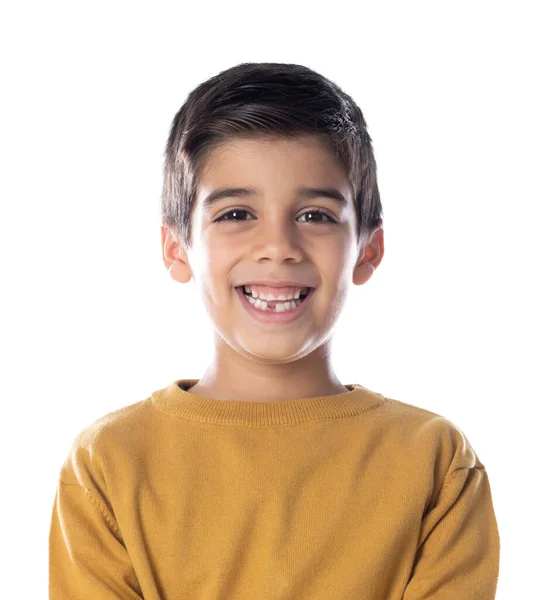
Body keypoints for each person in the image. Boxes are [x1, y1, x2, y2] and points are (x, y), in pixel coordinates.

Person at [49, 62, 500, 599]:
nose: (278, 246)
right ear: (176, 247)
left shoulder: (437, 463)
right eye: (237, 213)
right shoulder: (108, 464)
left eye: (315, 216)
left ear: (368, 250)